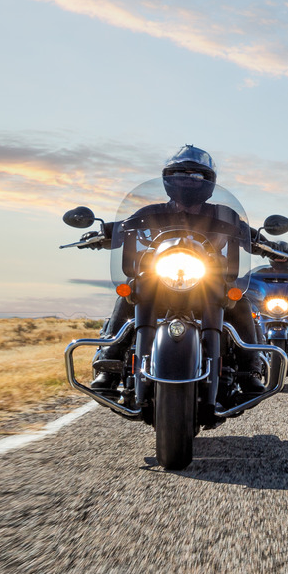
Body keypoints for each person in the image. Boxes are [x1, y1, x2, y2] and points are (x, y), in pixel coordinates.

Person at [90, 145, 272, 392]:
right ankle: (107, 367)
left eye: (196, 176)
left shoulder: (224, 215)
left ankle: (249, 372)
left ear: (208, 182)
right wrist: (101, 233)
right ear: (168, 179)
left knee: (239, 302)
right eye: (180, 175)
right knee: (130, 292)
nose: (187, 181)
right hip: (159, 278)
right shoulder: (151, 212)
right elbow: (124, 227)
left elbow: (248, 237)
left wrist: (266, 244)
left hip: (208, 279)